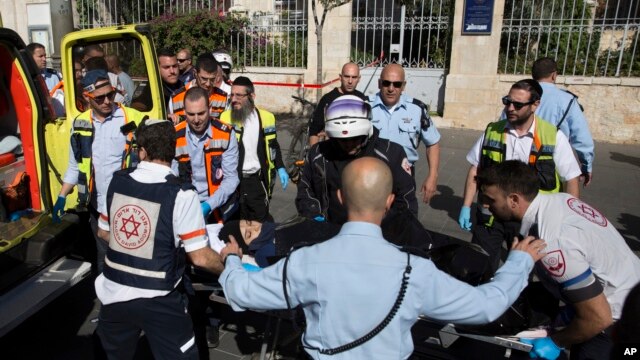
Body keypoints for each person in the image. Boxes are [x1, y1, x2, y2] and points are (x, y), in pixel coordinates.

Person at [218, 156, 546, 360]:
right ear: (390, 201)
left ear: (341, 197)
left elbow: (241, 292)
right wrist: (519, 262)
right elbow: (485, 305)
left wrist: (233, 259)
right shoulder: (415, 271)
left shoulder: (306, 262)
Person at [475, 160, 640, 360]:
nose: (484, 204)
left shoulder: (552, 243)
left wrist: (556, 341)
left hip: (615, 323)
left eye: (490, 199)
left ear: (514, 200)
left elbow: (598, 318)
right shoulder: (560, 200)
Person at [94, 118, 225, 360]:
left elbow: (103, 232)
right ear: (173, 151)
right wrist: (228, 269)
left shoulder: (117, 180)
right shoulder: (181, 194)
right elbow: (200, 257)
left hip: (114, 292)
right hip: (159, 299)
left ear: (141, 151)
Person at [458, 79, 582, 274]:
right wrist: (466, 206)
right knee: (478, 267)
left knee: (522, 275)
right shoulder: (493, 131)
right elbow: (476, 169)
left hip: (531, 220)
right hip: (492, 217)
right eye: (507, 101)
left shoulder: (552, 136)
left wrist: (569, 219)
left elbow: (571, 178)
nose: (510, 108)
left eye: (517, 104)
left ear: (535, 105)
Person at [52, 69, 148, 273]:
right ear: (88, 98)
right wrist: (61, 196)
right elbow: (74, 166)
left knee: (132, 259)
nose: (107, 101)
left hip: (127, 205)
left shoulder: (130, 117)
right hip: (97, 207)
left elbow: (159, 135)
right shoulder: (80, 124)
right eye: (100, 97)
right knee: (105, 260)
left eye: (111, 95)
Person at [296, 95, 418, 225]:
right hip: (330, 233)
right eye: (342, 140)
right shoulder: (318, 154)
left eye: (355, 138)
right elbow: (305, 190)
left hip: (378, 236)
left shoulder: (392, 154)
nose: (348, 144)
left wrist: (392, 230)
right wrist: (312, 213)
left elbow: (406, 199)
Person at [369, 63, 441, 204]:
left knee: (405, 220)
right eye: (386, 83)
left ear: (403, 86)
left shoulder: (417, 109)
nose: (391, 88)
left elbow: (433, 143)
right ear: (379, 83)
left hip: (404, 178)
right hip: (371, 177)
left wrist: (433, 176)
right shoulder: (365, 107)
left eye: (397, 84)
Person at [219, 76, 288, 222]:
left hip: (257, 182)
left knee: (259, 227)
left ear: (252, 96)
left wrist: (280, 167)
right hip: (234, 183)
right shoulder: (225, 118)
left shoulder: (267, 118)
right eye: (232, 94)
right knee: (236, 227)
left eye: (239, 95)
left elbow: (273, 145)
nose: (234, 99)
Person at [172, 86, 239, 223]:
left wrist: (209, 205)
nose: (196, 120)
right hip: (185, 205)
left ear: (210, 110)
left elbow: (231, 178)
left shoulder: (225, 133)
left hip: (218, 206)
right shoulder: (174, 135)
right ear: (184, 112)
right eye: (191, 114)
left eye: (201, 113)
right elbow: (171, 176)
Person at [532, 57, 595, 187]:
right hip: (553, 161)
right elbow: (581, 137)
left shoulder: (519, 96)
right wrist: (586, 166)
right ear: (554, 75)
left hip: (519, 158)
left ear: (533, 75)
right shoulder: (567, 100)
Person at [308, 62, 367, 146]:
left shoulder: (362, 99)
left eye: (354, 77)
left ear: (359, 78)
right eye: (347, 76)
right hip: (332, 154)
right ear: (340, 77)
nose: (350, 81)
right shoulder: (327, 99)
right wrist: (314, 156)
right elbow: (314, 131)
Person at [169, 54, 229, 122]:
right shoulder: (176, 97)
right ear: (195, 73)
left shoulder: (224, 98)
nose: (208, 84)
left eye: (212, 79)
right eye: (204, 78)